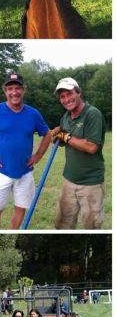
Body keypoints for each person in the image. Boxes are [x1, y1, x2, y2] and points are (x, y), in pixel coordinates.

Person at [0, 71, 53, 230]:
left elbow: (47, 134)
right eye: (10, 88)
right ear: (5, 91)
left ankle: (10, 236)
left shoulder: (33, 114)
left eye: (18, 88)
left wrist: (38, 155)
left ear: (23, 90)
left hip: (25, 172)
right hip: (1, 171)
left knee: (20, 209)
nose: (14, 92)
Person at [49, 77, 107, 230]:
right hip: (69, 180)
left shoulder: (92, 114)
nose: (66, 99)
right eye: (62, 96)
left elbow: (91, 147)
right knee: (62, 225)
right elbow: (62, 141)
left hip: (91, 184)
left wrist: (66, 136)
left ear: (78, 92)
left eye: (69, 94)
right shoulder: (66, 118)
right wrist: (56, 136)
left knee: (92, 228)